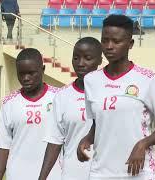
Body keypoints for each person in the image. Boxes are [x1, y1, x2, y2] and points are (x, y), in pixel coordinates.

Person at [77, 15, 155, 180]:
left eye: (116, 41)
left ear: (130, 44)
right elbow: (98, 123)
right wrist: (86, 140)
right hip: (101, 172)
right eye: (105, 40)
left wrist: (143, 144)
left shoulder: (147, 79)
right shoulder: (91, 80)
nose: (109, 46)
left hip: (138, 172)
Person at [38, 37, 102, 180]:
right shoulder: (62, 96)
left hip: (106, 173)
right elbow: (55, 142)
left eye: (88, 58)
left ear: (100, 60)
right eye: (76, 58)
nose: (80, 63)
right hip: (72, 174)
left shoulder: (109, 93)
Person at [0, 48, 62, 180]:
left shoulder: (59, 97)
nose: (26, 78)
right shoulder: (9, 103)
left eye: (31, 73)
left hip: (53, 175)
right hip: (17, 174)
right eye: (21, 74)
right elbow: (3, 146)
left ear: (43, 69)